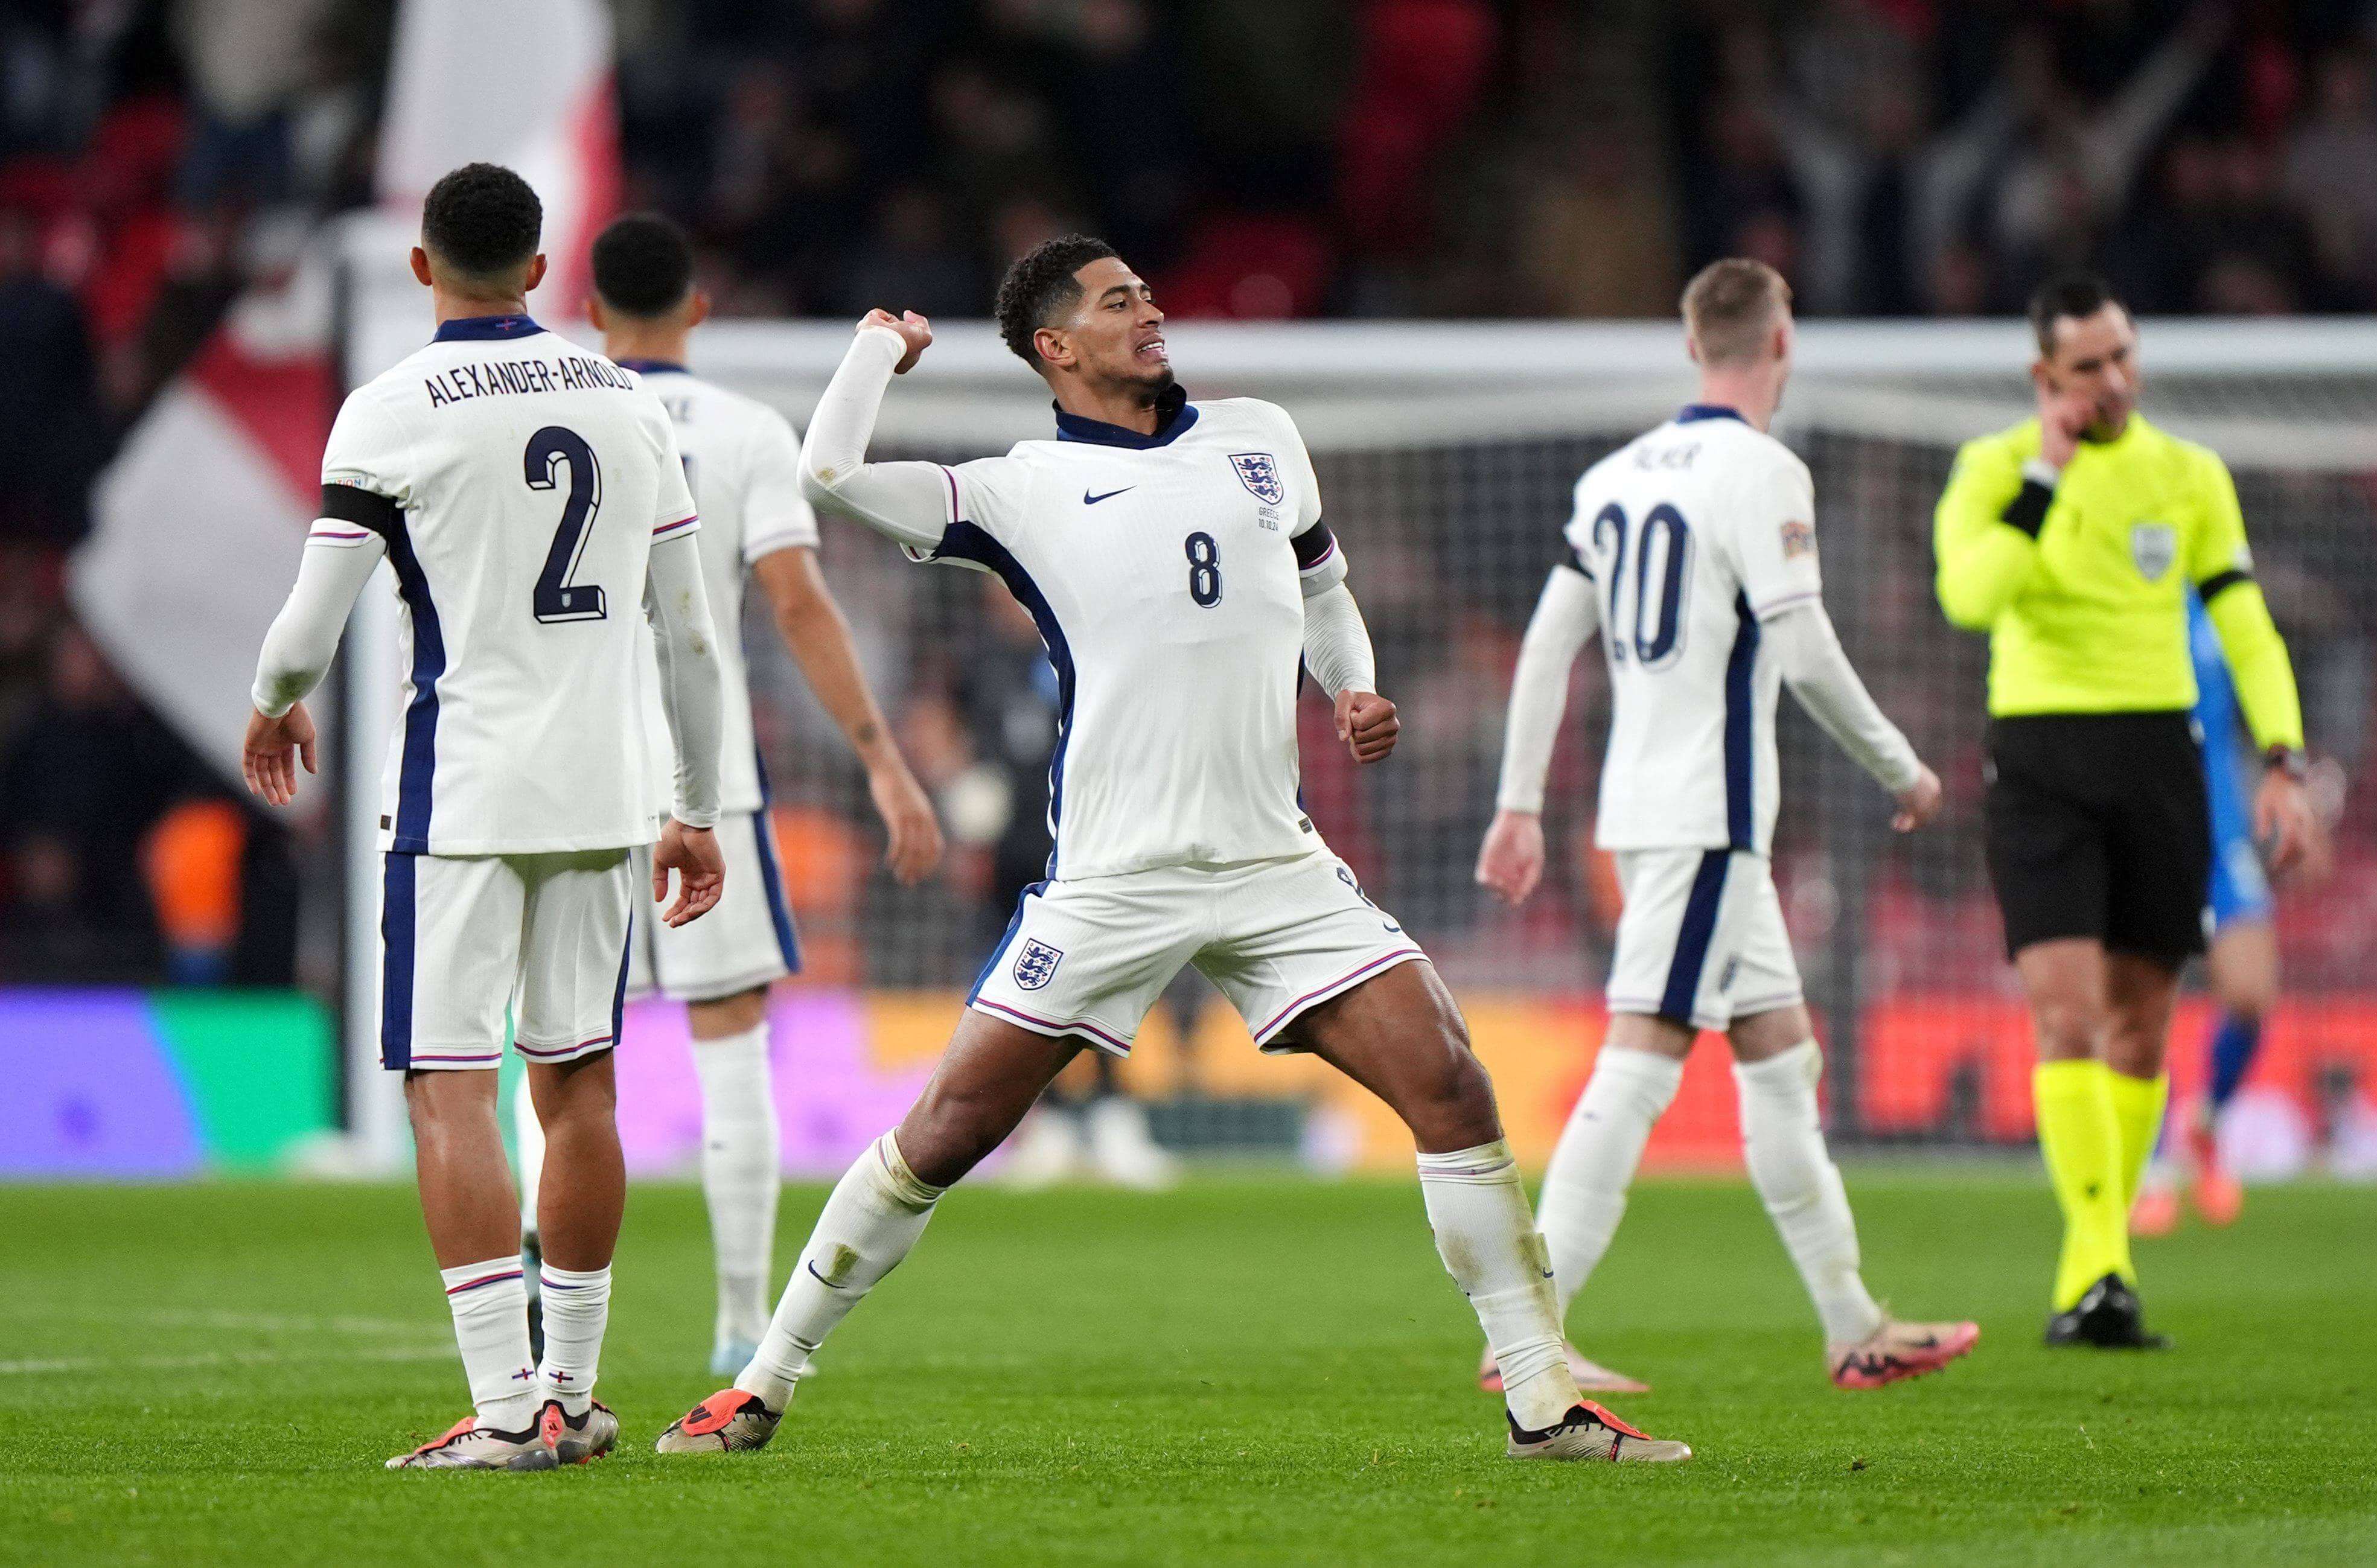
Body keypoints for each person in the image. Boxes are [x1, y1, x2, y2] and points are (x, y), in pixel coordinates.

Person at [656, 235, 1691, 1464]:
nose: (1148, 312)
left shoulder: (1260, 436)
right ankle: (762, 1385)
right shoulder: (1019, 488)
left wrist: (1350, 684)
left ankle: (1541, 1404)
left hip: (1274, 864)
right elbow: (828, 470)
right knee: (945, 1129)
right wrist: (879, 348)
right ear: (1056, 347)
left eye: (1145, 292)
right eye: (1114, 302)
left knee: (1453, 1084)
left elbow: (1322, 588)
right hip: (1115, 874)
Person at [241, 164, 727, 1469]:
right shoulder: (626, 402)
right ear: (539, 265)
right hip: (605, 790)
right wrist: (694, 806)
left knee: (450, 1090)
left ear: (421, 267)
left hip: (460, 792)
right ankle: (571, 1394)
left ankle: (507, 1414)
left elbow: (310, 623)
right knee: (579, 1086)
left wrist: (275, 698)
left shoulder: (391, 410)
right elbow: (688, 637)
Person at [1477, 258, 1977, 1395]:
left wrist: (1517, 804)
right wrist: (1900, 765)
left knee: (1780, 1059)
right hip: (1704, 813)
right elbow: (1799, 647)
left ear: (1690, 341)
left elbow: (1549, 645)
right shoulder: (1763, 469)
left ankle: (1852, 1320)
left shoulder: (1611, 477)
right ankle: (1526, 1332)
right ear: (1778, 342)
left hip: (1667, 815)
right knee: (1641, 1057)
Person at [509, 212, 946, 1378]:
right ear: (697, 307)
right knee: (729, 1039)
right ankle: (740, 1318)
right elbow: (797, 603)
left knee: (553, 1044)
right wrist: (882, 758)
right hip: (712, 782)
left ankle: (533, 1292)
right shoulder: (749, 429)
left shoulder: (554, 414)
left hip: (566, 776)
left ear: (590, 308)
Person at [1934, 271, 2312, 1348]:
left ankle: (2105, 1261)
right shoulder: (1992, 468)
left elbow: (2246, 628)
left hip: (2161, 756)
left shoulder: (2187, 476)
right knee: (2063, 1011)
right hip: (2040, 756)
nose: (2112, 380)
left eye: (2122, 356)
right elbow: (1971, 596)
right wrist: (2046, 475)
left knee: (2142, 1022)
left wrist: (2281, 753)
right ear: (2042, 375)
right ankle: (2093, 1261)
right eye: (2088, 364)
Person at [2130, 591, 2311, 1234]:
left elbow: (2270, 671)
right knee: (2140, 1001)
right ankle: (2147, 1167)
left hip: (2218, 825)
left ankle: (2205, 1122)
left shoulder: (2215, 597)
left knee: (2250, 995)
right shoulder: (2115, 588)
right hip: (2138, 822)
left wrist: (2287, 777)